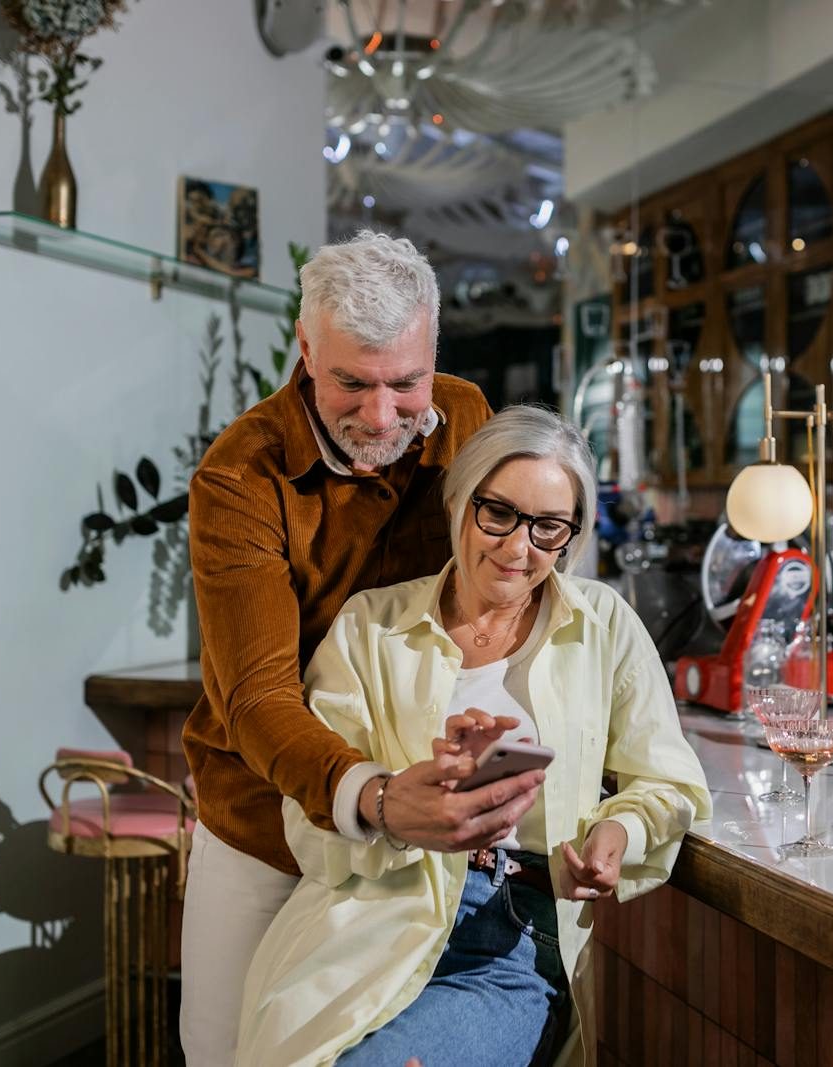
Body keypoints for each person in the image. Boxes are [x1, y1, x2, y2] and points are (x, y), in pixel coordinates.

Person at [235, 406, 712, 1066]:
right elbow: (309, 818)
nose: (520, 549)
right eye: (499, 514)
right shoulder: (370, 628)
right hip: (366, 928)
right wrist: (403, 804)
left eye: (549, 528)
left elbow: (667, 782)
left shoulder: (603, 625)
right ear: (459, 500)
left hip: (509, 933)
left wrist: (616, 834)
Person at [179, 232, 546, 1066]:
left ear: (433, 356)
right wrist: (376, 798)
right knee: (226, 1050)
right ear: (306, 350)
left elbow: (513, 601)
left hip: (420, 828)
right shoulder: (239, 478)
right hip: (265, 820)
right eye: (351, 381)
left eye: (405, 383)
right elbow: (259, 699)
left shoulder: (469, 421)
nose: (383, 416)